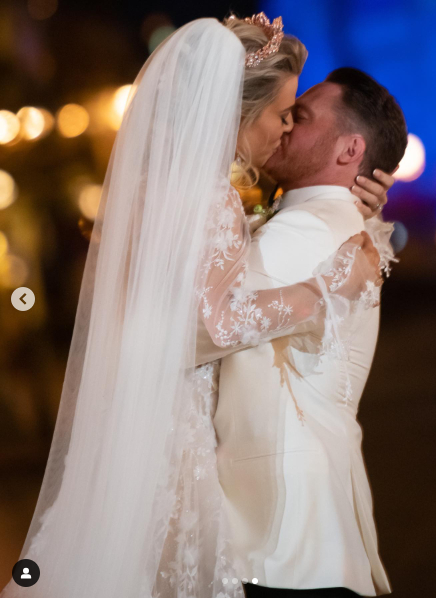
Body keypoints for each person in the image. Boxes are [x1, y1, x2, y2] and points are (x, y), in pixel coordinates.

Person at [0, 14, 392, 598]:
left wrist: (347, 207)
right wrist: (326, 285)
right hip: (187, 449)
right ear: (241, 111)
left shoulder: (168, 191)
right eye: (284, 112)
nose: (285, 128)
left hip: (156, 433)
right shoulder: (212, 198)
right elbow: (213, 320)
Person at [194, 68, 407, 598]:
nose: (285, 125)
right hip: (307, 535)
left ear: (349, 148)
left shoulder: (308, 230)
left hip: (280, 536)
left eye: (301, 116)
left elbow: (197, 329)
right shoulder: (334, 223)